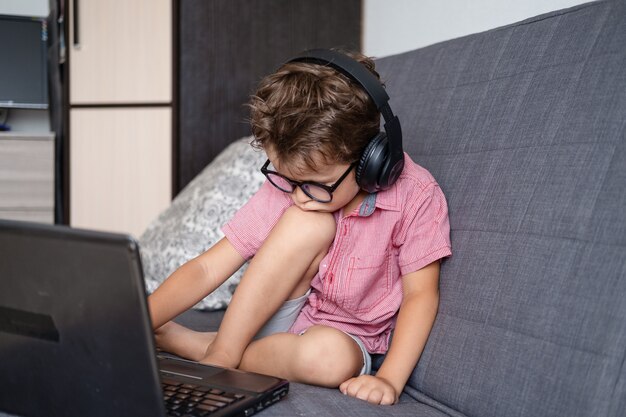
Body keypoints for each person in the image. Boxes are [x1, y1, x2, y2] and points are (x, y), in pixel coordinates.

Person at [148, 49, 452, 406]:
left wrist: (389, 379)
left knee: (329, 359)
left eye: (313, 183)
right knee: (307, 223)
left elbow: (420, 295)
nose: (297, 194)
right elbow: (207, 266)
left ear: (370, 161)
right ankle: (222, 355)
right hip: (273, 313)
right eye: (287, 179)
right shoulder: (296, 185)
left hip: (342, 339)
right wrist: (132, 321)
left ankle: (200, 345)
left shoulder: (416, 196)